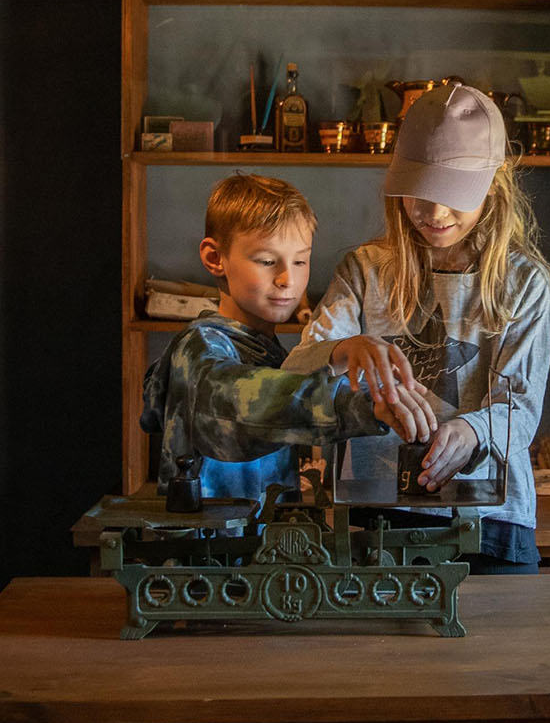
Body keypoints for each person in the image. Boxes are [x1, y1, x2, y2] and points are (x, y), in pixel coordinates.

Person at [282, 84, 550, 573]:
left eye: (453, 198)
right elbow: (295, 371)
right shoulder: (364, 270)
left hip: (489, 519)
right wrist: (347, 347)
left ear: (494, 186)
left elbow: (521, 406)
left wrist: (472, 432)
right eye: (419, 194)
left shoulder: (523, 283)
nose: (434, 214)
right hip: (373, 510)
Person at [140, 173, 424, 502]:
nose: (287, 279)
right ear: (215, 258)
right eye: (267, 261)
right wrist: (361, 405)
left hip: (265, 546)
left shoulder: (270, 353)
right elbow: (239, 402)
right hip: (209, 549)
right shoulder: (199, 346)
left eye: (300, 260)